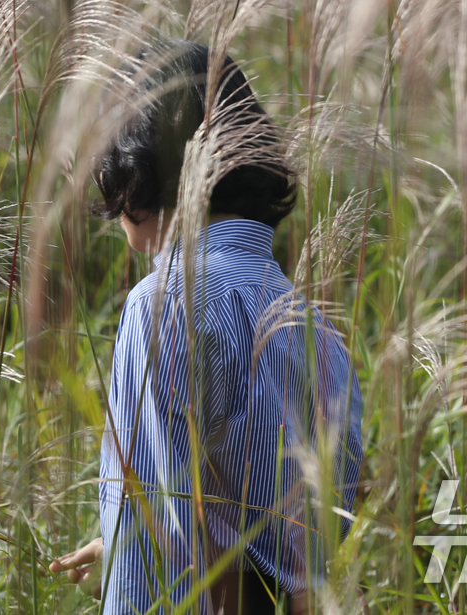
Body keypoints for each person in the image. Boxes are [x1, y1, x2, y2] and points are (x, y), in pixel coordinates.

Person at [50, 40, 365, 615]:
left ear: (136, 171)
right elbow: (297, 556)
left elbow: (158, 553)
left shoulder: (162, 306)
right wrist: (115, 546)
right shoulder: (320, 335)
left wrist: (131, 558)